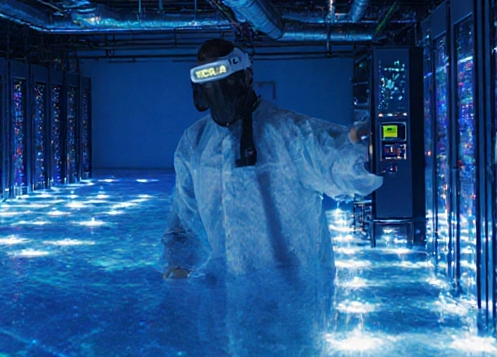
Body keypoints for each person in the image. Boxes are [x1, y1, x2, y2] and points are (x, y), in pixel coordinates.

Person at [161, 39, 383, 281]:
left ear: (246, 76)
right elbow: (184, 215)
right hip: (225, 293)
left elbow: (336, 162)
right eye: (208, 82)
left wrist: (362, 149)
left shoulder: (290, 133)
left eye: (225, 79)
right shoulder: (194, 143)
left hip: (294, 293)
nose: (218, 92)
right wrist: (178, 263)